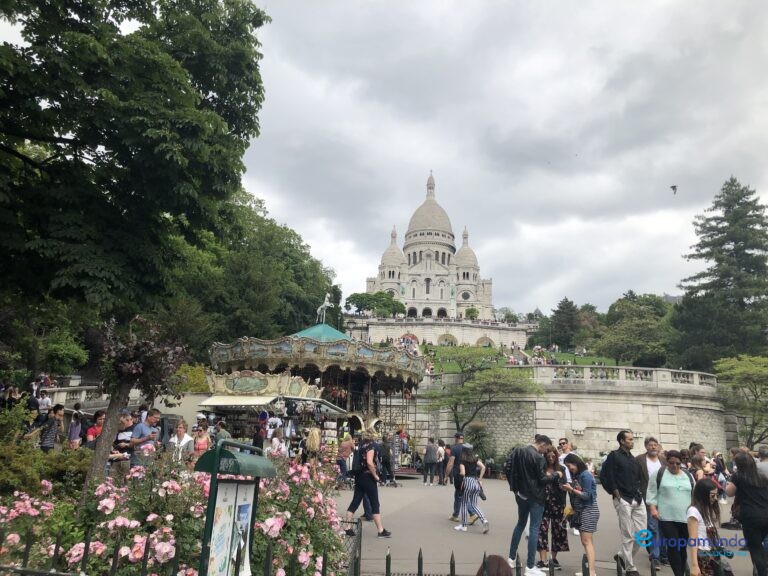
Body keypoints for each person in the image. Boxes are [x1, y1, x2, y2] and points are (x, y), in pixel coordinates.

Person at [507, 435, 563, 576]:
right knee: (534, 529)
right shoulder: (538, 458)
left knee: (520, 524)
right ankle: (530, 566)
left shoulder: (518, 451)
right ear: (542, 444)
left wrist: (514, 488)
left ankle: (511, 558)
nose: (545, 452)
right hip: (536, 497)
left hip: (521, 494)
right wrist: (556, 474)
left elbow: (509, 468)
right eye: (546, 448)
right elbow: (543, 479)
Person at [599, 430, 645, 576]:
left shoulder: (633, 459)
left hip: (637, 498)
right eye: (630, 439)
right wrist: (615, 492)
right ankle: (630, 567)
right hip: (623, 498)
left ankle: (621, 556)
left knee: (643, 533)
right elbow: (605, 475)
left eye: (632, 439)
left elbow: (638, 478)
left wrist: (640, 493)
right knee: (628, 534)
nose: (632, 441)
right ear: (622, 441)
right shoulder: (614, 456)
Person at [646, 450, 694, 576]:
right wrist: (653, 508)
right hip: (666, 516)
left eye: (678, 463)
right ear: (667, 462)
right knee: (673, 544)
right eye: (671, 463)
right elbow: (651, 492)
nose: (675, 466)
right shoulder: (659, 473)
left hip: (686, 517)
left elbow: (694, 494)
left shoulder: (688, 475)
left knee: (682, 547)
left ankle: (682, 570)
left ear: (681, 462)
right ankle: (678, 573)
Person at [344, 428, 391, 539]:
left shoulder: (361, 445)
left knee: (355, 501)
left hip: (359, 476)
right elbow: (370, 462)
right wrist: (375, 475)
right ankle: (380, 530)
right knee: (375, 503)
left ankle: (347, 527)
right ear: (374, 435)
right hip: (368, 477)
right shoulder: (372, 446)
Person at [726, 452, 768, 576]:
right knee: (761, 544)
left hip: (750, 516)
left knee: (755, 547)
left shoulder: (738, 476)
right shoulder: (762, 477)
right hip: (766, 513)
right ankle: (761, 569)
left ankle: (762, 572)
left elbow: (729, 492)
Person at [562, 453, 599, 576]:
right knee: (587, 542)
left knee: (586, 541)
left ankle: (591, 572)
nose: (569, 468)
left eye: (569, 465)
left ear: (575, 462)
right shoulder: (578, 475)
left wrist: (571, 490)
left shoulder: (586, 475)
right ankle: (589, 569)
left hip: (588, 510)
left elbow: (587, 496)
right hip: (583, 510)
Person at [636, 436, 667, 570]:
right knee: (653, 528)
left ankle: (664, 555)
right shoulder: (640, 460)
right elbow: (636, 477)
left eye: (655, 445)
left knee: (664, 528)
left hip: (664, 498)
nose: (653, 447)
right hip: (648, 498)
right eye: (650, 445)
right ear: (646, 446)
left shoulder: (664, 460)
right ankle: (655, 557)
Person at [536, 446, 568, 570]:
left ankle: (553, 559)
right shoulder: (541, 468)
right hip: (543, 504)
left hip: (558, 504)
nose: (550, 458)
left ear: (556, 456)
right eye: (548, 456)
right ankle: (543, 561)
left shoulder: (562, 469)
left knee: (558, 531)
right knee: (541, 530)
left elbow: (565, 486)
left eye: (553, 456)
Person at [687, 478, 721, 576]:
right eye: (712, 495)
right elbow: (693, 539)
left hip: (712, 554)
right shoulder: (693, 511)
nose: (715, 498)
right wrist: (694, 565)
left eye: (716, 495)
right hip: (703, 556)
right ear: (703, 495)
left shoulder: (707, 509)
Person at [454, 446, 489, 534]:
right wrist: (480, 479)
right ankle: (484, 520)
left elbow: (462, 473)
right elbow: (483, 467)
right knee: (474, 504)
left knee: (464, 503)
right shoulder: (475, 459)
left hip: (468, 482)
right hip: (475, 482)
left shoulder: (462, 461)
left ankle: (464, 526)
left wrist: (461, 482)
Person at [446, 432, 466, 521]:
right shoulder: (468, 448)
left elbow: (450, 463)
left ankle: (456, 515)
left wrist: (446, 475)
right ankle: (472, 513)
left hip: (458, 474)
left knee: (458, 494)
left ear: (456, 438)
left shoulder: (454, 448)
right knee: (465, 494)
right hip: (468, 474)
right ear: (463, 438)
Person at [110, 410, 135, 483]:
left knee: (127, 482)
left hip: (128, 459)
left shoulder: (135, 429)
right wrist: (113, 449)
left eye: (121, 422)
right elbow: (113, 443)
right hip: (116, 459)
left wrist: (126, 444)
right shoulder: (118, 430)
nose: (120, 424)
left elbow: (138, 445)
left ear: (127, 420)